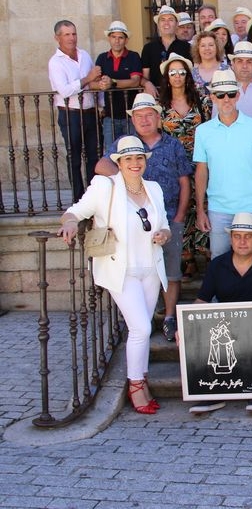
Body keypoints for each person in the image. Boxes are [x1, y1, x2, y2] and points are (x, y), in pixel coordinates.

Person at [57, 136, 170, 414]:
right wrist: (69, 223)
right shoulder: (104, 186)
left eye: (139, 158)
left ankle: (142, 379)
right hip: (121, 270)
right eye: (128, 159)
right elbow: (74, 212)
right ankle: (135, 387)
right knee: (141, 328)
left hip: (150, 269)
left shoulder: (154, 188)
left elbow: (165, 224)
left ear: (145, 161)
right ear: (119, 162)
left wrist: (164, 235)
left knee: (142, 329)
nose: (135, 163)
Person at [96, 93, 193, 342]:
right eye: (139, 116)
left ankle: (169, 317)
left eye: (149, 115)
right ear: (133, 119)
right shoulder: (125, 144)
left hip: (168, 219)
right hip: (133, 222)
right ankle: (141, 321)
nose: (144, 120)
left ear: (158, 117)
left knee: (171, 271)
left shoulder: (173, 145)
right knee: (139, 271)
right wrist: (126, 178)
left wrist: (180, 216)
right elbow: (101, 166)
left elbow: (184, 181)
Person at [188, 212, 252, 415]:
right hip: (225, 327)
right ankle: (212, 390)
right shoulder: (217, 265)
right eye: (237, 236)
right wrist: (185, 324)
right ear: (231, 239)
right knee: (199, 327)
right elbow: (202, 300)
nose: (242, 241)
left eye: (248, 236)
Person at [194, 69, 252, 258]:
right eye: (220, 95)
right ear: (212, 97)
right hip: (218, 208)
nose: (226, 99)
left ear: (238, 95)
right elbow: (201, 171)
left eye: (230, 94)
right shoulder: (203, 131)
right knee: (219, 260)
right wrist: (200, 210)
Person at [158, 52, 209, 279]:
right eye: (173, 72)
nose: (177, 76)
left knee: (201, 205)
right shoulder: (160, 106)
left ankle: (206, 252)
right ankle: (187, 258)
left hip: (200, 162)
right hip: (173, 166)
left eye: (181, 72)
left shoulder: (201, 101)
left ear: (187, 76)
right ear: (167, 78)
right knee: (181, 208)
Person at [48, 20, 105, 203]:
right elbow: (64, 90)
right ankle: (78, 199)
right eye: (67, 34)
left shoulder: (84, 55)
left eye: (74, 34)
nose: (72, 38)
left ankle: (94, 196)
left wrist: (101, 103)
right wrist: (87, 78)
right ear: (57, 38)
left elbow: (93, 83)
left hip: (90, 112)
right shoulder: (55, 62)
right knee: (74, 158)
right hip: (70, 114)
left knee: (94, 155)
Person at [95, 21, 142, 148]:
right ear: (109, 38)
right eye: (113, 37)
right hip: (110, 116)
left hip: (131, 116)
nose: (117, 41)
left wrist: (113, 83)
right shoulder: (102, 58)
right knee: (111, 152)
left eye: (120, 37)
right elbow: (94, 83)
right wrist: (103, 84)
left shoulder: (133, 56)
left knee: (133, 150)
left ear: (126, 40)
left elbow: (135, 81)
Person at [140, 5, 192, 96]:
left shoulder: (187, 48)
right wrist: (147, 83)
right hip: (157, 97)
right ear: (158, 25)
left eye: (170, 20)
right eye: (163, 20)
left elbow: (191, 75)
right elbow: (144, 77)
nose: (166, 23)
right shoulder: (148, 48)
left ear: (177, 24)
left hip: (181, 97)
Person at [190, 30, 229, 112]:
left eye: (211, 45)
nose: (207, 48)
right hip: (198, 116)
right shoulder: (192, 73)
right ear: (197, 49)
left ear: (217, 47)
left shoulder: (227, 70)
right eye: (203, 46)